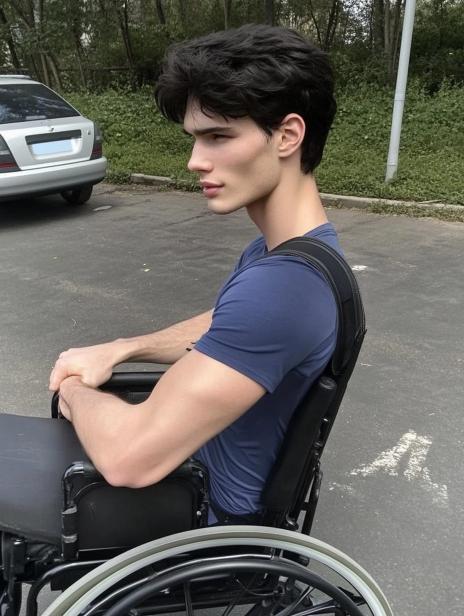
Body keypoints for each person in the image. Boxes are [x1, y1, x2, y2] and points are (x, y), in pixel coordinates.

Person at [49, 24, 339, 524]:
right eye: (194, 139)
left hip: (207, 520)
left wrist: (72, 389)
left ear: (288, 136)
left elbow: (128, 459)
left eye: (218, 137)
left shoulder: (283, 290)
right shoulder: (296, 255)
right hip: (193, 479)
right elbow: (224, 324)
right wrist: (122, 348)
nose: (194, 161)